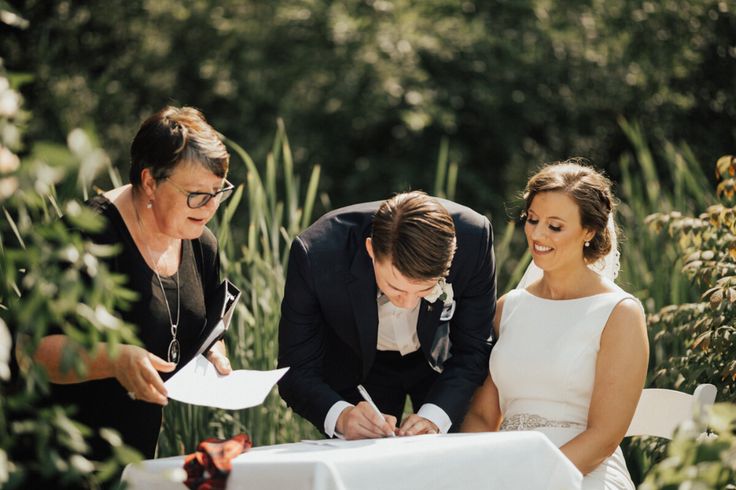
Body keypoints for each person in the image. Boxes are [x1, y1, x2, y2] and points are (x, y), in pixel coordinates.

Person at [31, 106, 235, 460]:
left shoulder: (201, 243)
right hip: (57, 459)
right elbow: (30, 351)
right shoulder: (84, 237)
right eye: (197, 194)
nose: (209, 206)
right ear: (150, 181)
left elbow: (204, 328)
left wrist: (212, 352)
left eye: (218, 191)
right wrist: (113, 360)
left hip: (134, 463)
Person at [461, 160, 649, 489]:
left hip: (582, 472)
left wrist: (532, 477)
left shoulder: (619, 313)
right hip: (506, 467)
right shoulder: (509, 307)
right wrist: (484, 470)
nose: (537, 234)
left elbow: (603, 437)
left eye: (555, 226)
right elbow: (481, 416)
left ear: (589, 231)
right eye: (532, 220)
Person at [277, 191, 496, 439]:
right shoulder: (317, 254)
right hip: (358, 366)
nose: (408, 303)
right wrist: (342, 416)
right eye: (396, 288)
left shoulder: (474, 238)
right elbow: (295, 369)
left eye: (425, 290)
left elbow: (474, 347)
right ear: (371, 250)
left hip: (439, 365)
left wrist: (435, 416)